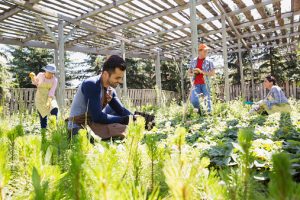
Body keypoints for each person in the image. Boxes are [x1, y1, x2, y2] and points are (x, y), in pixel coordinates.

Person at [68, 55, 134, 140]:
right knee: (123, 129)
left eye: (121, 78)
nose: (120, 81)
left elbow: (121, 110)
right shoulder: (92, 84)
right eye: (117, 78)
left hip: (94, 124)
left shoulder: (110, 90)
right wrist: (125, 120)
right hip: (78, 127)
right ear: (106, 74)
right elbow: (97, 117)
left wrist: (136, 118)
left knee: (116, 115)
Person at [189, 43, 215, 114]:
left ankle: (209, 116)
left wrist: (201, 72)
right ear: (200, 51)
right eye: (205, 51)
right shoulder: (193, 61)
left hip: (205, 83)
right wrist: (194, 73)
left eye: (207, 51)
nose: (206, 52)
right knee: (194, 100)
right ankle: (199, 112)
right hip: (195, 84)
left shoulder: (209, 62)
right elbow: (189, 73)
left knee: (208, 101)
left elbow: (212, 73)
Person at [29, 64, 58, 129]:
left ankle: (54, 129)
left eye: (52, 73)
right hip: (40, 97)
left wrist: (49, 101)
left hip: (50, 97)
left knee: (54, 109)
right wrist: (32, 77)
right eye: (49, 72)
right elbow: (35, 83)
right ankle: (43, 132)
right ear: (45, 71)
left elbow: (52, 91)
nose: (50, 74)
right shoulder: (40, 75)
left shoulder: (54, 80)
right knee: (43, 115)